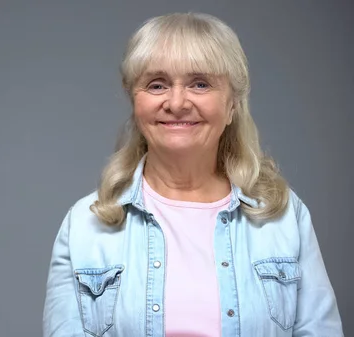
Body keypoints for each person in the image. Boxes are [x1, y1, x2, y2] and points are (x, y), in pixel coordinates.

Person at [42, 12, 343, 337]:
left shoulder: (285, 217)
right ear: (135, 102)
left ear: (232, 106)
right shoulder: (84, 225)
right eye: (157, 85)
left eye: (200, 84)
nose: (176, 102)